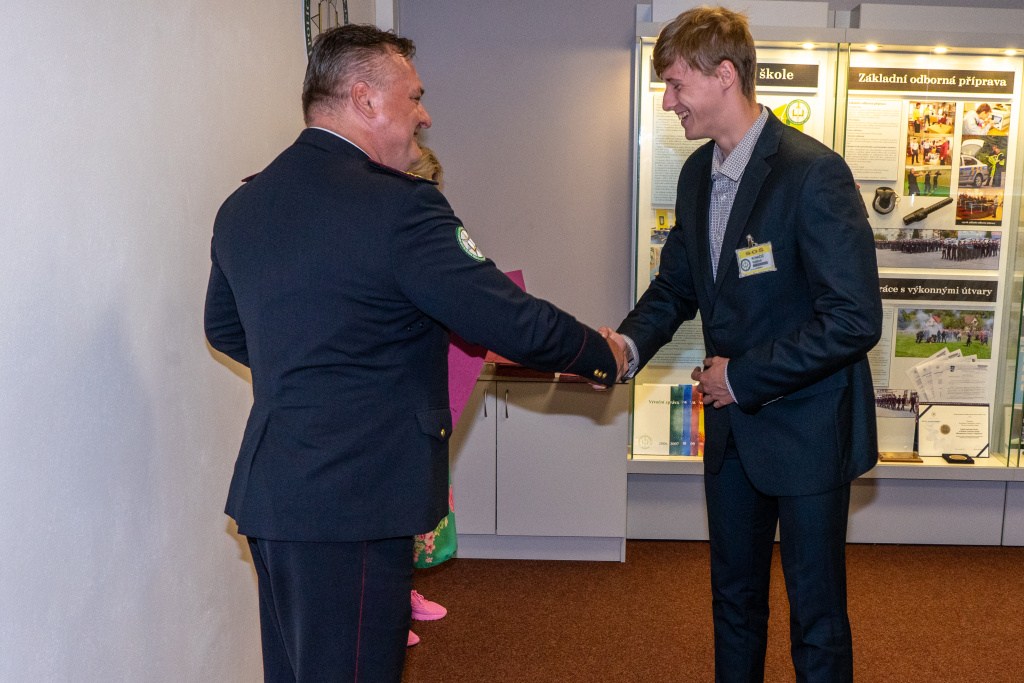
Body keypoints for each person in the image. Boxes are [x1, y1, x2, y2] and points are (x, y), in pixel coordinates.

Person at [204, 24, 625, 682]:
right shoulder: (399, 207)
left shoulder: (245, 204)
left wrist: (325, 366)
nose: (424, 115)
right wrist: (600, 354)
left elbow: (226, 329)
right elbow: (504, 316)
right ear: (365, 98)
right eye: (416, 96)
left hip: (275, 492)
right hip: (359, 495)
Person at [604, 7, 882, 682]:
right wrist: (625, 347)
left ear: (724, 74)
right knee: (734, 603)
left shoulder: (812, 173)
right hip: (733, 437)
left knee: (816, 619)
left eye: (676, 84)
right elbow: (676, 287)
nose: (668, 102)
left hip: (808, 431)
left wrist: (742, 377)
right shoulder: (696, 175)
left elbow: (853, 318)